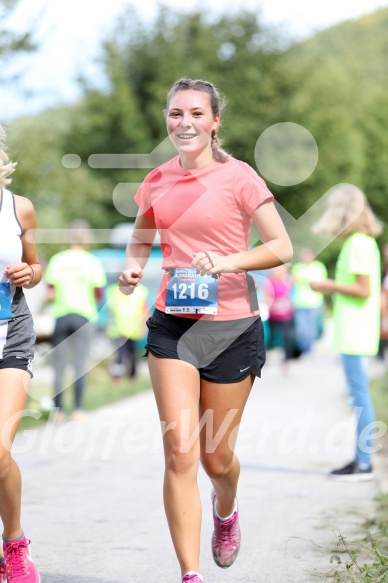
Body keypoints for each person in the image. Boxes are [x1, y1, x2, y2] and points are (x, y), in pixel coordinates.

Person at [118, 78, 293, 583]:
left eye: (196, 113)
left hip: (232, 326)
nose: (184, 123)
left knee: (217, 460)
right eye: (175, 114)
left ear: (215, 122)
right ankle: (190, 574)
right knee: (180, 452)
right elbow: (141, 238)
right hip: (172, 326)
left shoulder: (241, 178)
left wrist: (226, 262)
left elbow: (279, 246)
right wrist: (133, 269)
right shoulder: (155, 180)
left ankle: (226, 506)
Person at [310, 184, 383, 481]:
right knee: (358, 393)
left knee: (359, 394)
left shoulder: (357, 244)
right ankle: (361, 459)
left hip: (356, 331)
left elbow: (363, 290)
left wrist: (328, 285)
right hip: (357, 330)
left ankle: (363, 462)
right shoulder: (364, 242)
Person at [0, 123, 42, 582]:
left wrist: (29, 273)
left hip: (10, 331)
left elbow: (35, 263)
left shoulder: (18, 208)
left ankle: (14, 541)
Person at [45, 220, 106, 421]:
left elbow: (50, 293)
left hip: (62, 316)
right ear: (87, 238)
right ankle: (78, 410)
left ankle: (59, 412)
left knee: (59, 367)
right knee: (80, 365)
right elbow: (98, 294)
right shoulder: (93, 261)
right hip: (84, 317)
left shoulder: (57, 260)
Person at [105, 281, 149, 381]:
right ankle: (119, 377)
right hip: (119, 328)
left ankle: (130, 376)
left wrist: (144, 325)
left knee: (131, 353)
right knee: (121, 354)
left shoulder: (141, 290)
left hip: (131, 328)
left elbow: (144, 309)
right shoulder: (113, 290)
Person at [291, 247, 327, 353]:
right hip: (300, 303)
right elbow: (294, 282)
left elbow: (320, 283)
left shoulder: (319, 267)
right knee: (302, 330)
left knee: (312, 329)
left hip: (314, 303)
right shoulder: (297, 267)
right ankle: (306, 349)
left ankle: (310, 348)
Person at [262, 264, 296, 369]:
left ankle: (286, 360)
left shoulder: (288, 281)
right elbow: (267, 297)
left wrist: (289, 304)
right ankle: (264, 358)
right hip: (273, 314)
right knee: (270, 337)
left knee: (287, 337)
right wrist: (274, 305)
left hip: (286, 314)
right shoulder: (269, 282)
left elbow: (293, 296)